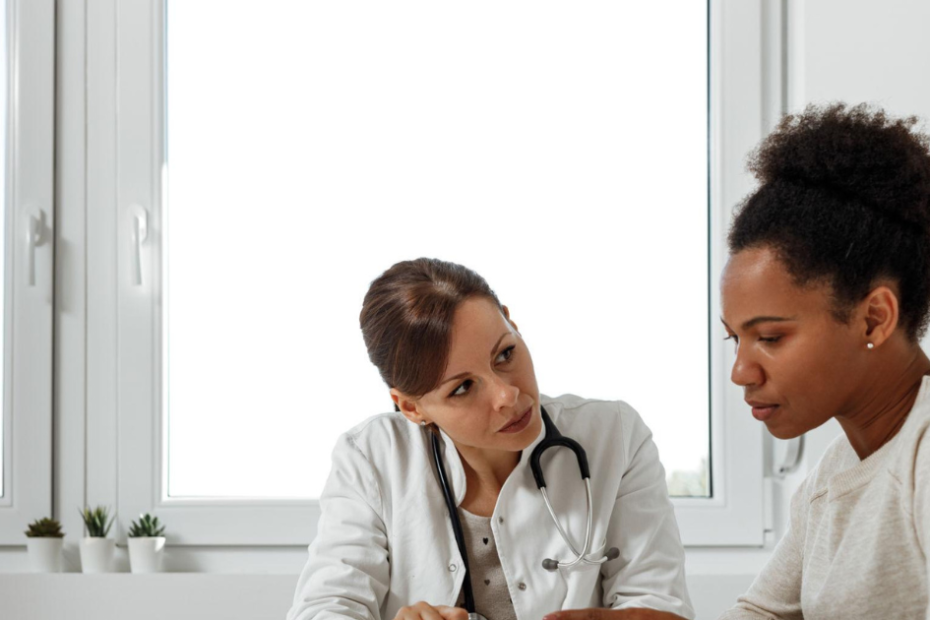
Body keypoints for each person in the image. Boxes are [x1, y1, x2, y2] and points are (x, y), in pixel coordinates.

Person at [287, 258, 694, 620]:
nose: (508, 396)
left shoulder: (613, 436)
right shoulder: (371, 457)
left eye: (504, 354)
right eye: (463, 387)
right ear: (411, 408)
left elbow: (658, 607)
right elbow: (325, 606)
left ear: (512, 324)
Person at [718, 103, 930, 619]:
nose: (741, 372)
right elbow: (761, 613)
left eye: (770, 336)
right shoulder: (834, 474)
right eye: (735, 339)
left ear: (874, 319)